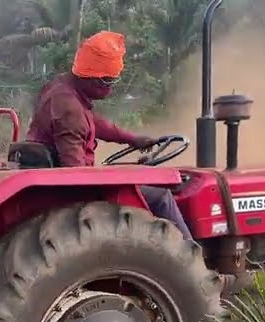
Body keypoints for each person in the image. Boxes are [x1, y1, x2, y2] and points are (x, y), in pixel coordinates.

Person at [26, 31, 194, 241]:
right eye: (107, 81)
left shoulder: (62, 89)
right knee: (161, 196)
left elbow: (92, 122)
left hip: (51, 176)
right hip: (74, 193)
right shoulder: (70, 110)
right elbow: (76, 176)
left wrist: (132, 139)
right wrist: (126, 175)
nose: (110, 88)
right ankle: (189, 253)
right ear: (90, 78)